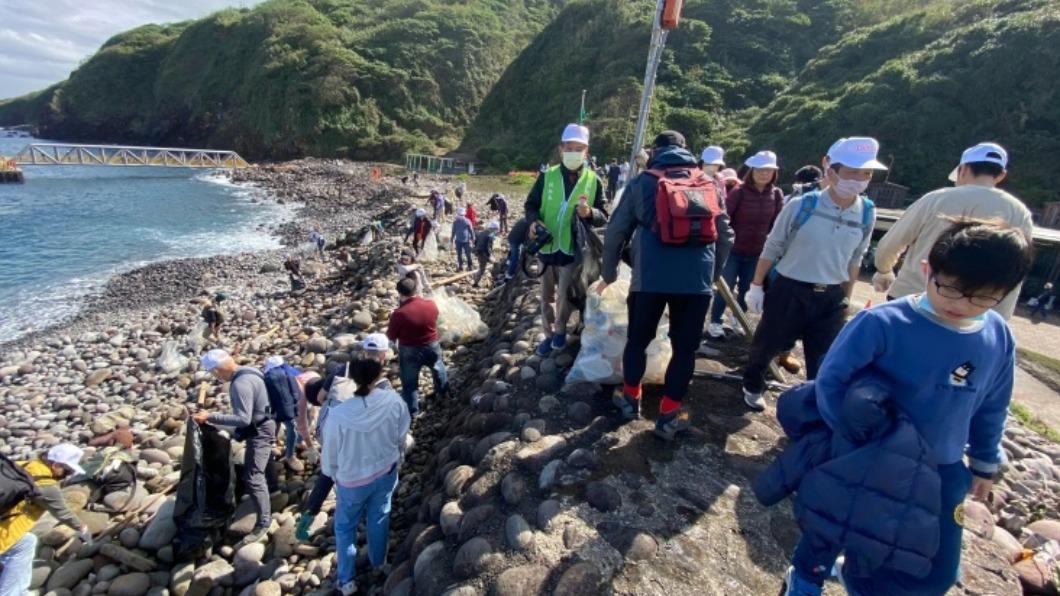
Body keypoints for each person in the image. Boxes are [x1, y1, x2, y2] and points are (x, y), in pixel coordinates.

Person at [778, 219, 1032, 596]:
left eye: (982, 297)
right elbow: (831, 382)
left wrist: (984, 463)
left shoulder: (997, 336)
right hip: (866, 454)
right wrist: (848, 437)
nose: (961, 305)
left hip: (943, 467)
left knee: (937, 571)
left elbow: (992, 405)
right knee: (832, 527)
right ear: (927, 270)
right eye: (951, 289)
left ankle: (858, 580)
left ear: (1005, 295)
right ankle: (805, 577)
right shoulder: (882, 323)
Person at [600, 130, 733, 440]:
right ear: (687, 150)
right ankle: (669, 415)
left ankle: (631, 400)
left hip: (650, 278)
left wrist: (608, 274)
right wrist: (711, 277)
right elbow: (725, 236)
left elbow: (615, 232)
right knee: (685, 350)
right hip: (696, 281)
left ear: (655, 151)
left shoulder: (642, 182)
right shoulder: (709, 183)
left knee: (638, 340)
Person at [742, 137, 885, 411]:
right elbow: (773, 246)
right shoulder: (802, 205)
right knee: (766, 345)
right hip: (790, 289)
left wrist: (846, 297)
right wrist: (756, 285)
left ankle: (814, 406)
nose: (859, 179)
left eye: (866, 173)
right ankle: (752, 385)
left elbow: (856, 258)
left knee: (824, 359)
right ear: (831, 171)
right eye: (852, 172)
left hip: (830, 296)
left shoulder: (867, 212)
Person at [872, 142, 1033, 320]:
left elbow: (892, 242)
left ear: (962, 169)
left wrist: (884, 269)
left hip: (914, 297)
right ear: (1001, 175)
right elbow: (1017, 268)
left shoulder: (937, 198)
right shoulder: (1019, 212)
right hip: (975, 311)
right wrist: (1001, 317)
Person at [323, 352, 411, 596]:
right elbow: (402, 431)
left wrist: (332, 474)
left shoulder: (338, 415)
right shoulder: (393, 401)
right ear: (379, 376)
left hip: (352, 481)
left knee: (345, 528)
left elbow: (330, 455)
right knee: (380, 515)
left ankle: (347, 580)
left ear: (352, 379)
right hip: (385, 471)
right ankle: (378, 563)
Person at [525, 123, 608, 356]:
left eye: (578, 148)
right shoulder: (547, 176)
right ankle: (549, 334)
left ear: (586, 152)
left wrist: (590, 213)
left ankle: (560, 331)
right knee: (546, 296)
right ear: (561, 149)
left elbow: (604, 216)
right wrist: (533, 222)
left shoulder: (594, 181)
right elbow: (530, 205)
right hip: (547, 246)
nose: (573, 152)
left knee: (564, 295)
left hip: (573, 248)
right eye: (569, 147)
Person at [193, 349, 275, 547]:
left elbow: (242, 419)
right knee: (263, 459)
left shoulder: (240, 383)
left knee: (253, 476)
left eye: (213, 372)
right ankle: (273, 488)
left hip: (260, 430)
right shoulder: (250, 370)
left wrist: (210, 417)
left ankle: (264, 521)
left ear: (218, 370)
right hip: (268, 420)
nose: (215, 376)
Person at [708, 151, 784, 339]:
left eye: (769, 170)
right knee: (726, 286)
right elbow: (724, 219)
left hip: (758, 252)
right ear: (752, 171)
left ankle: (738, 319)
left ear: (774, 173)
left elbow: (777, 224)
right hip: (733, 250)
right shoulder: (738, 192)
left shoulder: (776, 195)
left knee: (747, 288)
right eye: (760, 170)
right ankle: (715, 321)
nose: (764, 174)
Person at [0, 444, 92, 594]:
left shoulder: (23, 465)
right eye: (67, 471)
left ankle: (18, 591)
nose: (67, 476)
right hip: (3, 531)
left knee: (27, 541)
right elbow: (63, 513)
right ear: (55, 465)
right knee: (23, 546)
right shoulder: (46, 486)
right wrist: (82, 528)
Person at [386, 277, 449, 415]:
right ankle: (444, 394)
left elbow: (391, 336)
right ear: (416, 289)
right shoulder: (431, 305)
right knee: (438, 368)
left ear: (400, 293)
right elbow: (435, 319)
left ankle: (413, 411)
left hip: (409, 350)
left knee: (409, 383)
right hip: (432, 345)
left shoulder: (398, 314)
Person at [263, 355, 306, 470]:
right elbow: (298, 387)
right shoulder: (288, 372)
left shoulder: (267, 376)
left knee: (275, 424)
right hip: (289, 406)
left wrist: (267, 412)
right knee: (292, 428)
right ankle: (290, 455)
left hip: (273, 407)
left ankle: (271, 444)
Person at [473, 221, 500, 287]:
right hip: (483, 253)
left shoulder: (483, 232)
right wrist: (490, 255)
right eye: (496, 229)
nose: (497, 231)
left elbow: (476, 241)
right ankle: (476, 283)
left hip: (479, 252)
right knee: (494, 264)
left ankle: (477, 279)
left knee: (483, 267)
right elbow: (487, 247)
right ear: (494, 228)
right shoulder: (490, 235)